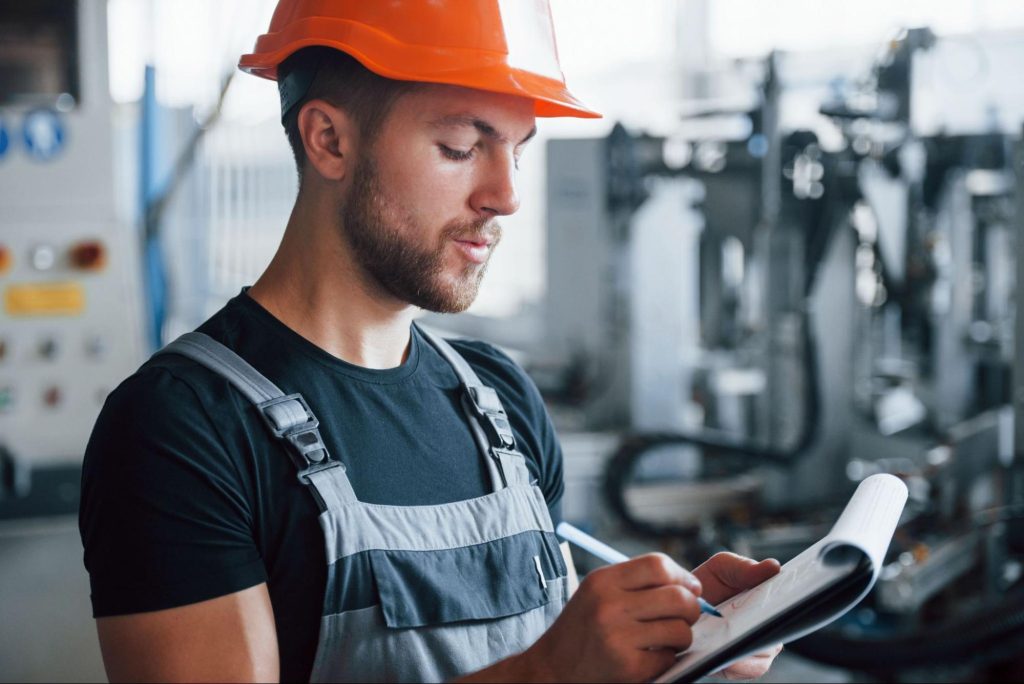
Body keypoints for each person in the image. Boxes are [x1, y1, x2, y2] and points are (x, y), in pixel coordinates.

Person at [79, 2, 782, 682]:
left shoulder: (499, 400)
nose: (506, 195)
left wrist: (684, 641)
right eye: (462, 146)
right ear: (329, 139)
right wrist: (545, 675)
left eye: (516, 151)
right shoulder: (182, 428)